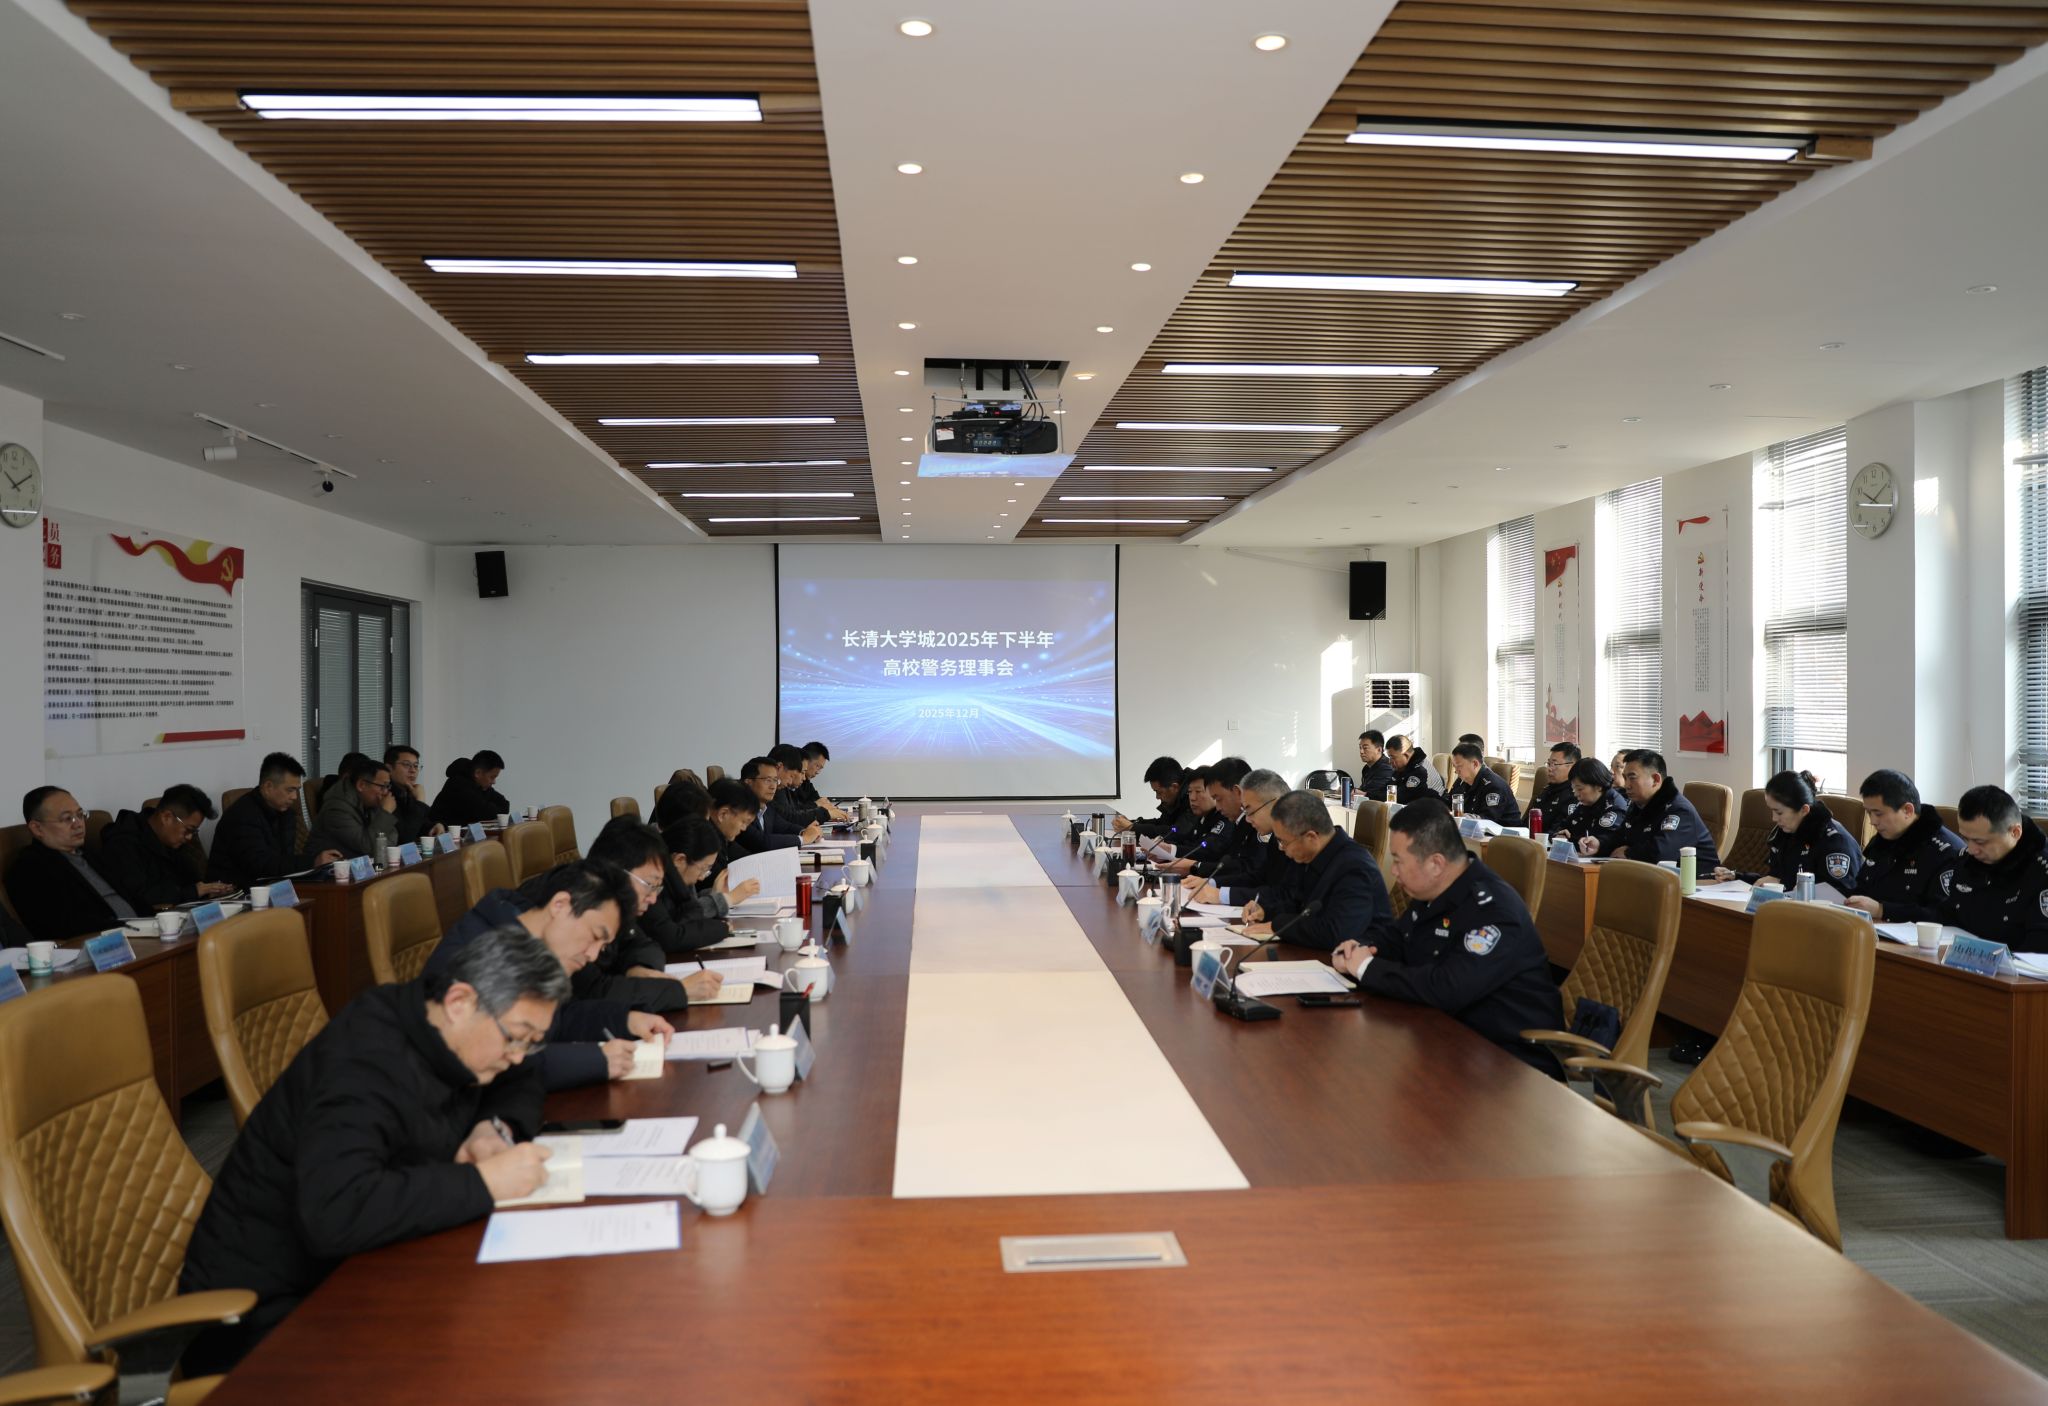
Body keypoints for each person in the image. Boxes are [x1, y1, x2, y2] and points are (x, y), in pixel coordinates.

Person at [178, 927, 569, 1376]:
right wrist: (483, 1182)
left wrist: (492, 1128)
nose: (518, 1055)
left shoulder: (445, 1031)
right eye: (516, 1037)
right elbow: (336, 1211)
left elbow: (523, 1077)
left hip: (359, 1268)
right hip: (263, 1316)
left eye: (531, 1041)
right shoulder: (364, 1065)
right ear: (460, 1001)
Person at [1332, 800, 1560, 1073]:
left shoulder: (1495, 912)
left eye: (1398, 861)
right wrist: (1359, 948)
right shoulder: (1433, 893)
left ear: (1436, 864)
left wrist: (1366, 968)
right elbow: (1395, 939)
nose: (1393, 870)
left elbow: (1447, 988)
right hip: (1448, 1039)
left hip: (1511, 1064)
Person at [425, 860, 674, 1089]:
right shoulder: (477, 953)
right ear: (560, 905)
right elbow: (495, 1057)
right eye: (595, 936)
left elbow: (557, 1020)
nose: (592, 955)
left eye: (602, 946)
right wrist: (596, 1060)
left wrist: (625, 1020)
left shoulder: (535, 942)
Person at [583, 815, 721, 1005]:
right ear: (615, 871)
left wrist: (639, 968)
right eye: (649, 885)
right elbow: (595, 992)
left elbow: (646, 946)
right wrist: (678, 991)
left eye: (657, 888)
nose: (653, 898)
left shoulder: (618, 911)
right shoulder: (579, 910)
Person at [1238, 790, 1392, 953]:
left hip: (1360, 959)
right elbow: (1300, 904)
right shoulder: (1314, 855)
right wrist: (1266, 911)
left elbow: (1337, 932)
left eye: (1283, 842)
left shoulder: (1355, 867)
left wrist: (1277, 926)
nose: (1281, 849)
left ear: (1311, 837)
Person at [5, 787, 138, 940]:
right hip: (105, 944)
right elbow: (63, 927)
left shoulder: (91, 855)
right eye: (67, 818)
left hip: (141, 934)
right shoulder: (29, 870)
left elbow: (134, 898)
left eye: (80, 815)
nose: (79, 824)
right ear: (37, 828)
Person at [1845, 770, 1963, 923]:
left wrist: (1882, 910)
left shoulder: (1945, 852)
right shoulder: (1883, 840)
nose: (1872, 821)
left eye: (1878, 814)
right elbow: (1862, 887)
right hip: (1869, 928)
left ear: (1907, 810)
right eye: (1868, 813)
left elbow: (1942, 915)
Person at [1943, 785, 2048, 956]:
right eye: (1965, 838)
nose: (1971, 850)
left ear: (2015, 832)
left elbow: (2039, 949)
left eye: (1980, 842)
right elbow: (1948, 915)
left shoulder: (2042, 871)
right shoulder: (1968, 860)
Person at [1714, 770, 1863, 891]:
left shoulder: (1835, 842)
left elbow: (1839, 895)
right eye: (1772, 811)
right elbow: (1775, 878)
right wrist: (1738, 877)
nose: (1774, 818)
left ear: (1804, 810)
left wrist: (1783, 883)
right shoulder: (1785, 833)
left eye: (1779, 812)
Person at [209, 753, 341, 888]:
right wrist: (312, 862)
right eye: (290, 790)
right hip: (234, 891)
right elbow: (260, 866)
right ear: (268, 787)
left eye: (297, 790)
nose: (295, 797)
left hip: (270, 885)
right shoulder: (242, 816)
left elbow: (284, 861)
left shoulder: (286, 812)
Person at [99, 784, 233, 910]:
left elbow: (192, 882)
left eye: (193, 832)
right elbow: (140, 897)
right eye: (188, 830)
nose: (189, 837)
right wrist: (194, 891)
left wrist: (209, 891)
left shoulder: (170, 841)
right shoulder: (122, 844)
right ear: (166, 817)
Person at [1592, 749, 1721, 868]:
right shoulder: (1639, 805)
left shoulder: (1679, 810)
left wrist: (1628, 853)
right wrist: (1599, 844)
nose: (1627, 785)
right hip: (1655, 876)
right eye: (1625, 778)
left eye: (1632, 778)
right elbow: (1621, 837)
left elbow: (1662, 853)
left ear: (1655, 779)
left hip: (1699, 881)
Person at [1187, 768, 1289, 902]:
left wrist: (1221, 896)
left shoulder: (1298, 838)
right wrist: (1211, 882)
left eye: (1250, 811)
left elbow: (1286, 896)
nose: (1247, 819)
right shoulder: (1275, 838)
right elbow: (1259, 877)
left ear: (1276, 804)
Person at [654, 817, 737, 956]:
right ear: (679, 860)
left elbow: (692, 913)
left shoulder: (677, 878)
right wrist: (721, 929)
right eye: (704, 869)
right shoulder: (653, 887)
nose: (702, 877)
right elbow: (674, 935)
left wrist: (714, 893)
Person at [1168, 758, 1253, 877]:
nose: (1192, 798)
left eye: (1218, 799)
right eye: (1189, 792)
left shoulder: (1247, 824)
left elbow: (1249, 872)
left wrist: (1197, 867)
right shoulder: (1235, 821)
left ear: (1237, 792)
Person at [308, 756, 401, 861]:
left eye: (387, 786)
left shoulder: (370, 802)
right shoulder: (337, 809)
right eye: (382, 786)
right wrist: (385, 813)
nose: (386, 792)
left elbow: (392, 838)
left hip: (360, 863)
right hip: (328, 868)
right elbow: (368, 847)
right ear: (361, 785)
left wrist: (384, 814)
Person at [737, 757, 815, 852]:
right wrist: (804, 839)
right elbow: (761, 842)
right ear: (748, 783)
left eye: (775, 780)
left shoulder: (767, 807)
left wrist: (804, 832)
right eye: (768, 780)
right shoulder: (738, 809)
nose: (773, 786)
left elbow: (785, 827)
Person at [1554, 758, 1629, 852]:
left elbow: (1599, 842)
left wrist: (1570, 840)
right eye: (1574, 789)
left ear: (1598, 786)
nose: (1576, 794)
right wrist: (1561, 834)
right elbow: (1563, 825)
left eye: (1580, 789)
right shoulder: (1587, 803)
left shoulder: (1614, 807)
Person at [1446, 743, 1522, 828]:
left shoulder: (1493, 786)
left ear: (1475, 764)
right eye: (1454, 767)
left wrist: (1453, 817)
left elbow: (1486, 821)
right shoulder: (1462, 781)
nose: (1456, 771)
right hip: (1470, 831)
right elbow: (1448, 804)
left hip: (1503, 834)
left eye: (1459, 766)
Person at [429, 750, 509, 829]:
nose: (494, 782)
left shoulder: (481, 785)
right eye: (492, 777)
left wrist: (489, 806)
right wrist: (490, 806)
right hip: (439, 833)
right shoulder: (458, 784)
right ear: (478, 773)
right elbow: (485, 813)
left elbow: (505, 805)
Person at [382, 745, 445, 845]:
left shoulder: (407, 792)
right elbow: (405, 838)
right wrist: (420, 801)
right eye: (407, 765)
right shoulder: (385, 795)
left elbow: (419, 824)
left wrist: (434, 826)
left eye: (416, 766)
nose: (413, 770)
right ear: (389, 768)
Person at [1114, 757, 1188, 838]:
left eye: (1159, 792)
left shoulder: (1191, 798)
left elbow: (1176, 831)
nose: (1157, 797)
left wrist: (1133, 827)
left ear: (1174, 787)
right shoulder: (1176, 797)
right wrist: (1131, 823)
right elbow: (1163, 823)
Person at [773, 742, 847, 823]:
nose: (818, 772)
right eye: (817, 766)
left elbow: (791, 817)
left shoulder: (802, 783)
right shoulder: (779, 787)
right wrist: (824, 812)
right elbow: (792, 816)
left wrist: (829, 812)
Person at [1526, 743, 1580, 834]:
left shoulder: (1575, 795)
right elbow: (1527, 823)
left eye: (1555, 764)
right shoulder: (1547, 790)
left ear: (1572, 766)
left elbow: (1557, 832)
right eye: (1549, 764)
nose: (1549, 769)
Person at [1386, 735, 1441, 803]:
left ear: (1406, 755)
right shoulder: (1402, 766)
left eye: (1393, 757)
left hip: (1435, 805)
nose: (1390, 761)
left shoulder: (1420, 769)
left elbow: (1402, 797)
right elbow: (1390, 789)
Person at [1357, 731, 1396, 800]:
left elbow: (1370, 793)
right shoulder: (1366, 768)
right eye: (1360, 748)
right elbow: (1363, 790)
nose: (1361, 752)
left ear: (1379, 749)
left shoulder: (1386, 768)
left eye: (1365, 748)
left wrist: (1351, 791)